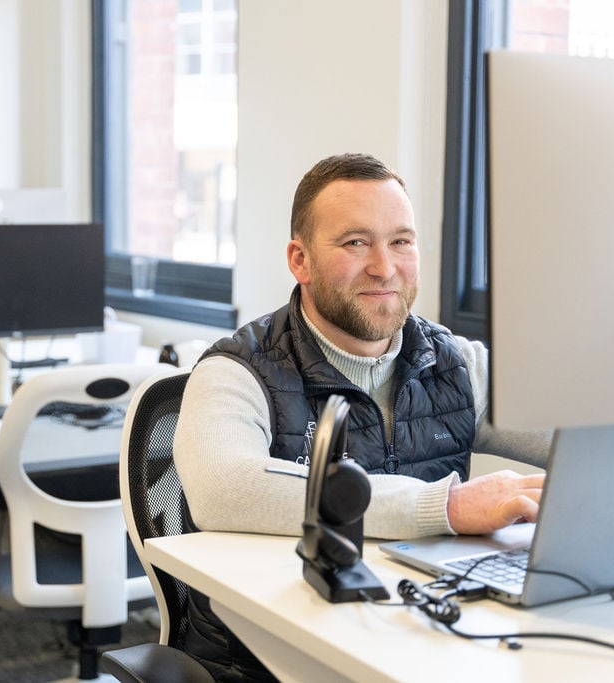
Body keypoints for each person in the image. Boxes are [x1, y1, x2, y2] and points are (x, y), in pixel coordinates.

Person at [173, 152, 551, 681]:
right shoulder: (238, 370)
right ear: (300, 260)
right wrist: (445, 506)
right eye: (355, 243)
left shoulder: (457, 364)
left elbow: (588, 440)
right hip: (268, 657)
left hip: (415, 641)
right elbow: (224, 489)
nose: (384, 266)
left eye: (401, 241)